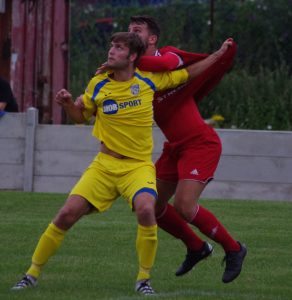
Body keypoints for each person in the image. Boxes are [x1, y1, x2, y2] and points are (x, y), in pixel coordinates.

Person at [11, 32, 232, 295]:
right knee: (66, 214)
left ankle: (143, 280)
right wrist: (69, 104)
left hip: (137, 167)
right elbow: (80, 118)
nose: (111, 51)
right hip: (104, 166)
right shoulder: (98, 84)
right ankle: (31, 274)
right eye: (111, 45)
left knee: (147, 209)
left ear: (133, 56)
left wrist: (217, 56)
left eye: (119, 48)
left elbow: (187, 75)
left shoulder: (149, 80)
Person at [127, 15, 247, 284]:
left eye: (137, 30)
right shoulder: (133, 73)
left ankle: (235, 249)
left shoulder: (167, 56)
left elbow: (166, 64)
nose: (130, 33)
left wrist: (129, 59)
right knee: (146, 204)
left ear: (152, 39)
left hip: (200, 144)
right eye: (128, 30)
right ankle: (197, 247)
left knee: (183, 205)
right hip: (174, 148)